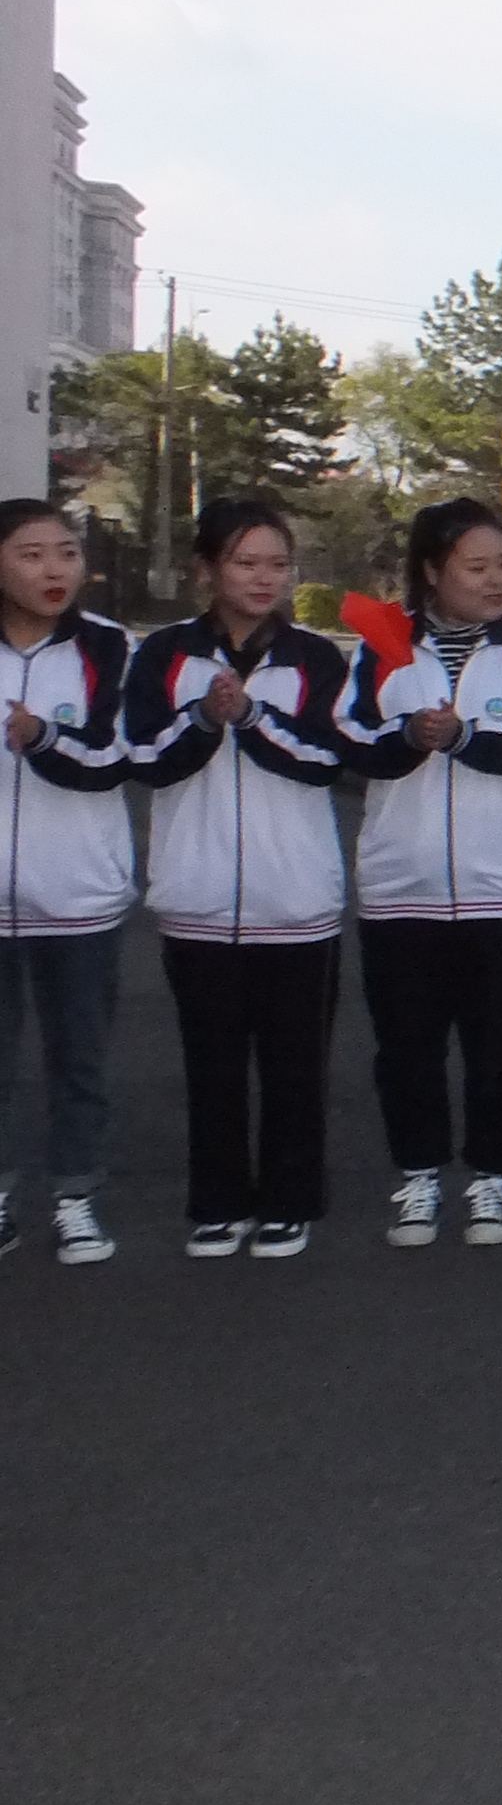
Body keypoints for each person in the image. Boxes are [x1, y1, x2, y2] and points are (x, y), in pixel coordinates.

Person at [335, 497, 502, 1249]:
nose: (498, 579)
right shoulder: (381, 641)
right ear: (433, 571)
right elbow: (350, 738)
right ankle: (418, 1177)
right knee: (407, 1047)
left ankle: (492, 1180)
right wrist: (408, 736)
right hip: (402, 888)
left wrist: (466, 735)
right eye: (478, 566)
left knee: (500, 1047)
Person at [125, 501, 350, 1260]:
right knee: (211, 1065)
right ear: (208, 570)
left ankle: (291, 1201)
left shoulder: (318, 658)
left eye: (277, 565)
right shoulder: (163, 655)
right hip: (197, 896)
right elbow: (146, 759)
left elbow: (325, 760)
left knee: (295, 1068)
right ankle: (216, 1203)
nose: (264, 579)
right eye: (246, 563)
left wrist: (250, 718)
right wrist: (203, 720)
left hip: (297, 899)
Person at [0, 500, 137, 1266]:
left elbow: (119, 757)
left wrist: (44, 738)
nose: (54, 570)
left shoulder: (110, 648)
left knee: (78, 1056)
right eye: (30, 554)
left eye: (66, 552)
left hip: (79, 893)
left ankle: (76, 1196)